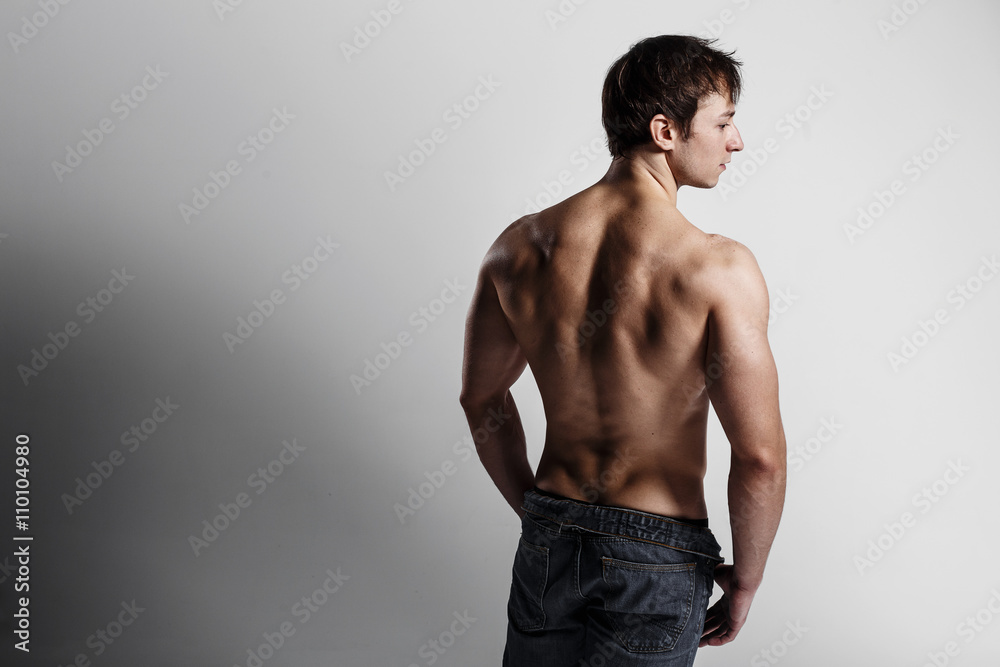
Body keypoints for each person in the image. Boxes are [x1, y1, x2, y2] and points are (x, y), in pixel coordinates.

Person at [459, 34, 787, 666]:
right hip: (657, 554)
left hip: (551, 538)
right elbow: (760, 457)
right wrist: (746, 578)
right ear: (666, 130)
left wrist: (537, 511)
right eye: (723, 122)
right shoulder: (717, 267)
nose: (736, 141)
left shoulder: (518, 248)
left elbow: (480, 398)